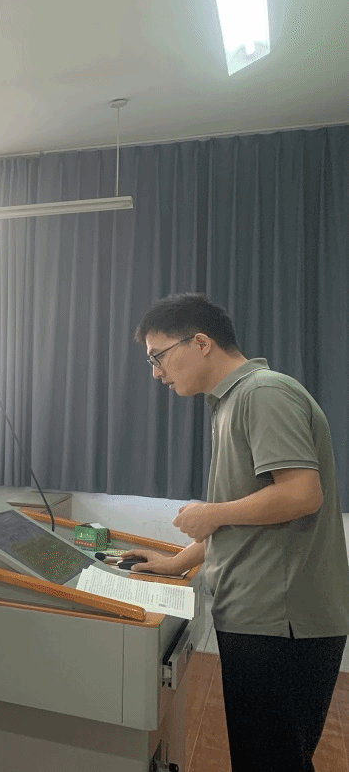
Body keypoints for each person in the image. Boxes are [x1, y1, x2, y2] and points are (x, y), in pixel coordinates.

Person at [125, 293, 348, 772]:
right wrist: (176, 563)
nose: (157, 373)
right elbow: (245, 517)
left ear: (201, 342)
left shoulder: (263, 394)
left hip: (281, 619)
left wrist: (211, 513)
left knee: (271, 760)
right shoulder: (230, 403)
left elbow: (301, 493)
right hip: (259, 613)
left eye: (158, 357)